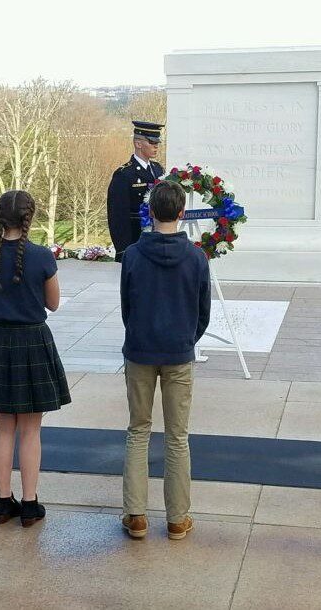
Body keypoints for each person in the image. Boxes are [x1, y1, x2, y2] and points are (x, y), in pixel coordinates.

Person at [0, 190, 70, 528]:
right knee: (30, 430)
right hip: (32, 341)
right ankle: (29, 503)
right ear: (30, 218)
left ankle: (2, 502)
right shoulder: (41, 257)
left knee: (3, 429)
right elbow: (53, 304)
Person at [119, 180, 210, 541]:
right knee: (177, 436)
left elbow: (128, 307)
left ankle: (136, 515)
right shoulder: (196, 258)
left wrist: (142, 336)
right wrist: (185, 340)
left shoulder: (132, 255)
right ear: (182, 213)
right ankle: (176, 518)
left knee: (138, 431)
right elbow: (202, 312)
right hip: (178, 353)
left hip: (140, 350)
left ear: (151, 212)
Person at [106, 120, 165, 262]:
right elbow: (118, 215)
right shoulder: (124, 174)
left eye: (157, 142)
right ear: (138, 144)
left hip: (157, 238)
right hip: (135, 241)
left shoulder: (158, 169)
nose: (156, 145)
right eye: (151, 142)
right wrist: (123, 249)